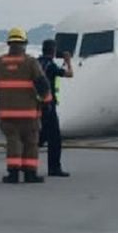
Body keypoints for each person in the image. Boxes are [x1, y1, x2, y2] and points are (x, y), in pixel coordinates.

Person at [0, 27, 52, 184]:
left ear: (9, 44)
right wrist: (47, 102)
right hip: (29, 114)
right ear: (24, 44)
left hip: (7, 114)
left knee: (13, 143)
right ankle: (30, 174)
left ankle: (13, 175)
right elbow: (43, 84)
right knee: (31, 143)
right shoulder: (31, 63)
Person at [37, 39, 73, 177]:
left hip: (35, 104)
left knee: (41, 136)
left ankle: (26, 163)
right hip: (48, 105)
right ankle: (54, 167)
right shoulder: (51, 66)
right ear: (53, 51)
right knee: (55, 139)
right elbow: (69, 74)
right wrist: (68, 61)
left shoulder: (36, 63)